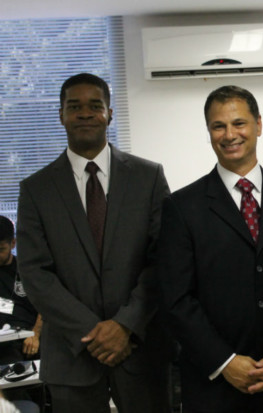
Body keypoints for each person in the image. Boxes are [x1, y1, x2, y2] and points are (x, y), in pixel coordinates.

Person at [17, 73, 172, 412]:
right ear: (61, 115)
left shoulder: (148, 178)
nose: (85, 113)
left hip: (140, 350)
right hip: (71, 357)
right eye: (74, 106)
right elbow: (35, 274)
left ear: (109, 114)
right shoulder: (36, 190)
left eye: (95, 106)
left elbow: (163, 260)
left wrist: (125, 325)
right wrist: (93, 332)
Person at [157, 85, 263, 413]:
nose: (229, 134)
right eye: (218, 126)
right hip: (213, 388)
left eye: (239, 123)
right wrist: (224, 362)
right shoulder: (181, 207)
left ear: (258, 125)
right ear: (208, 132)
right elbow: (176, 300)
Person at [0, 216, 42, 365]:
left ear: (13, 243)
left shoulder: (28, 271)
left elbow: (45, 306)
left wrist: (35, 334)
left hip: (29, 336)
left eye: (1, 250)